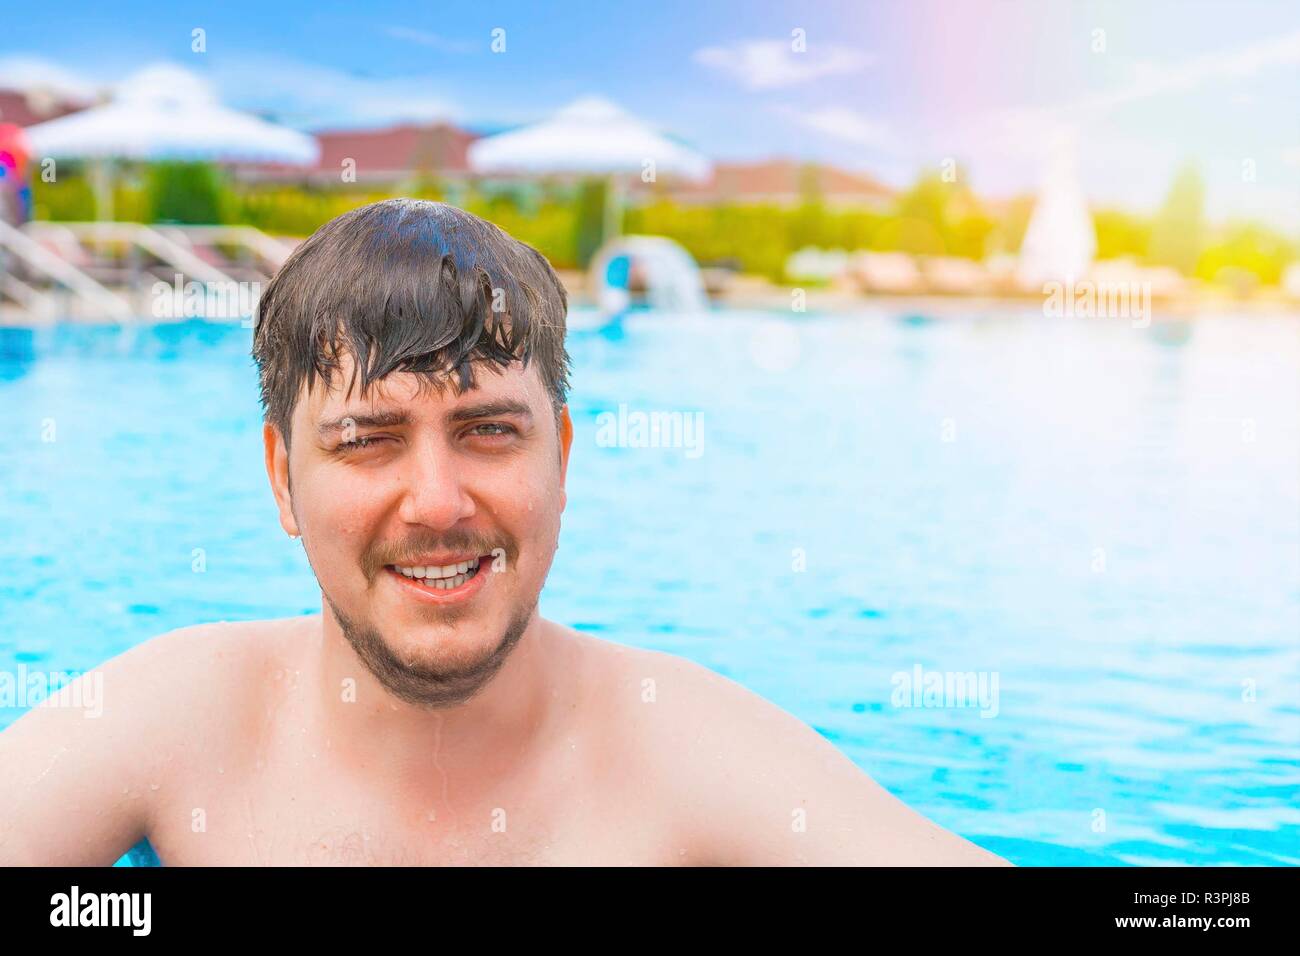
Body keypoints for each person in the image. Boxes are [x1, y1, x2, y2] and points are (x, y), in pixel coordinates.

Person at [0, 199, 1008, 866]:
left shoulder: (683, 746)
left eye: (487, 431)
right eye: (366, 438)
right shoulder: (179, 721)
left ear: (560, 460)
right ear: (281, 477)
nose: (436, 501)